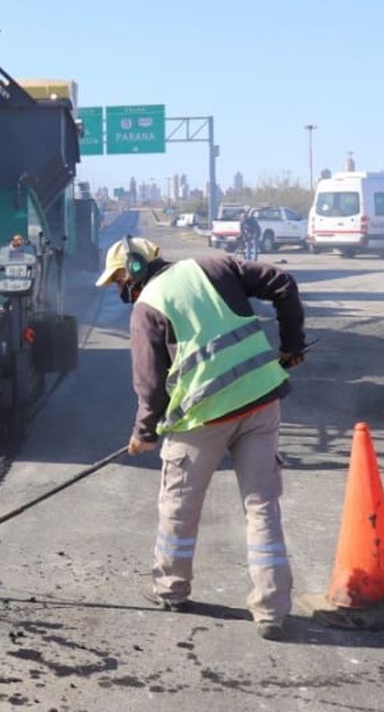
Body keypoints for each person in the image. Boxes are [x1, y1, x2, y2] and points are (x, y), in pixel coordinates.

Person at [95, 235, 305, 642]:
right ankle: (272, 610)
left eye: (119, 278)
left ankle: (171, 589)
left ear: (134, 268)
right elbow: (283, 283)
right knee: (262, 507)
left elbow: (150, 384)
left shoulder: (147, 308)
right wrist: (292, 345)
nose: (119, 287)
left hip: (201, 418)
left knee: (179, 505)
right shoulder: (216, 266)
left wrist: (144, 433)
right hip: (261, 402)